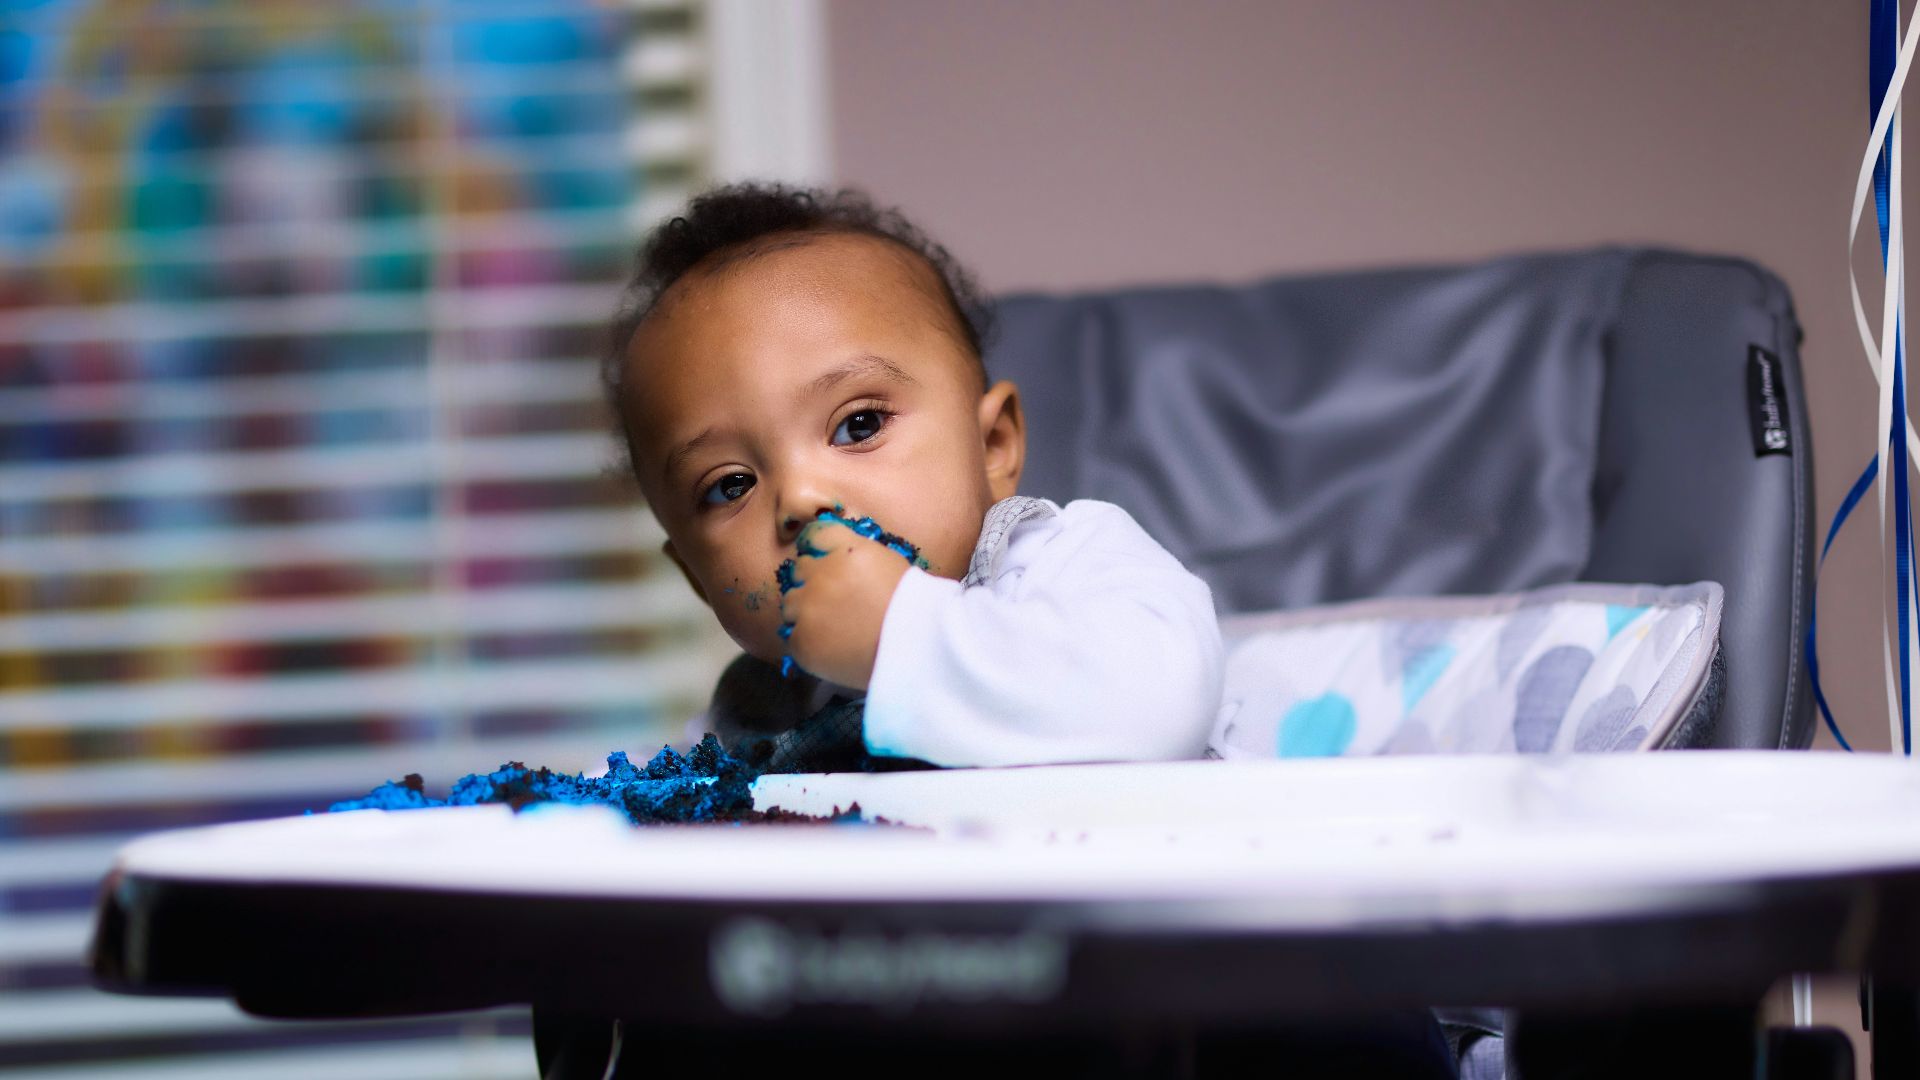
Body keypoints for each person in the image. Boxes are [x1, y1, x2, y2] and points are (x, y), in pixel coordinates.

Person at [601, 182, 1223, 772]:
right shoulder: (752, 717)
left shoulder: (1063, 567)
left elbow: (1164, 706)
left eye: (859, 424)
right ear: (696, 578)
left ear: (992, 445)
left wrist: (899, 636)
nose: (801, 497)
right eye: (730, 485)